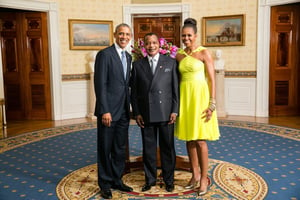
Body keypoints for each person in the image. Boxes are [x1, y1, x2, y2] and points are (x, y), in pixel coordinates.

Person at [174, 18, 220, 196]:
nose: (186, 38)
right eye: (183, 36)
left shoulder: (204, 53)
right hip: (185, 99)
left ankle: (203, 179)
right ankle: (194, 175)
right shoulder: (178, 54)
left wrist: (212, 102)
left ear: (196, 36)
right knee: (189, 139)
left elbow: (212, 78)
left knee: (200, 140)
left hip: (200, 99)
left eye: (189, 35)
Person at [130, 32, 179, 193]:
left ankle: (169, 180)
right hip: (146, 114)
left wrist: (174, 110)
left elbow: (175, 90)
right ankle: (150, 180)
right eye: (148, 43)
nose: (151, 46)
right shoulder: (137, 65)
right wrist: (136, 113)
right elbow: (134, 93)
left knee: (167, 148)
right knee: (148, 149)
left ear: (160, 45)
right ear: (144, 46)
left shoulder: (170, 62)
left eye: (154, 43)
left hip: (166, 113)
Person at [94, 23, 133, 199]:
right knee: (105, 148)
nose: (124, 37)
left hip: (124, 111)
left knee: (119, 148)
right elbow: (100, 84)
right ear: (115, 35)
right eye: (121, 34)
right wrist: (104, 110)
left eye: (127, 34)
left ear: (130, 37)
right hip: (108, 112)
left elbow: (126, 84)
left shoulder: (129, 57)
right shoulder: (104, 54)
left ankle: (117, 179)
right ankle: (104, 183)